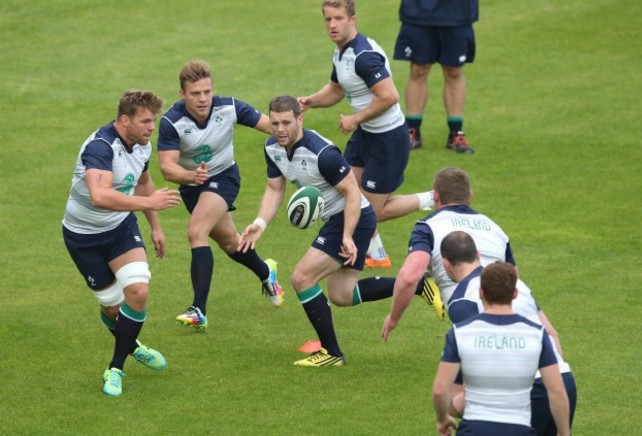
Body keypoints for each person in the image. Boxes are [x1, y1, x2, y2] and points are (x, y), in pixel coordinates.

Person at [238, 95, 406, 367]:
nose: (280, 129)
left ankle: (331, 353)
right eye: (275, 123)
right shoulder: (272, 148)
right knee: (342, 295)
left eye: (286, 123)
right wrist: (259, 224)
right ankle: (416, 283)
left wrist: (347, 236)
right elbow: (274, 189)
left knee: (302, 278)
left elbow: (352, 192)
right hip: (336, 219)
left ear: (300, 119)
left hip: (352, 218)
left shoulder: (322, 153)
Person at [298, 0, 435, 269]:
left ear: (353, 20)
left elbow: (390, 96)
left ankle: (431, 197)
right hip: (366, 135)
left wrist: (355, 118)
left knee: (373, 211)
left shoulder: (364, 56)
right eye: (328, 19)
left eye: (338, 18)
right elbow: (336, 89)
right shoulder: (341, 54)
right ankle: (378, 254)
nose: (332, 25)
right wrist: (310, 101)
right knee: (348, 192)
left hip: (388, 139)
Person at [62, 90, 181, 396]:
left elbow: (143, 182)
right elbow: (100, 197)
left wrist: (154, 223)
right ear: (125, 120)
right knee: (114, 311)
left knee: (138, 291)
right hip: (83, 237)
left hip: (120, 228)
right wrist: (147, 203)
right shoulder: (100, 148)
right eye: (145, 121)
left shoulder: (141, 144)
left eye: (153, 121)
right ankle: (133, 344)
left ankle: (115, 368)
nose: (151, 127)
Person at [157, 60, 284, 331]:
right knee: (230, 244)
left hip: (223, 178)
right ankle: (266, 272)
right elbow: (167, 167)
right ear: (182, 94)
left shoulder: (229, 107)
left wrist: (303, 140)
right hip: (193, 185)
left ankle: (198, 310)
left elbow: (273, 126)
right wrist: (190, 177)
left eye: (207, 91)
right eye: (195, 93)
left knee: (196, 232)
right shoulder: (172, 122)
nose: (203, 99)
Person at [440, 231, 577, 435]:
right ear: (477, 253)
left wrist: (453, 409)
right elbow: (552, 334)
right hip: (563, 379)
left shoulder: (461, 300)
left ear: (445, 264)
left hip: (526, 389)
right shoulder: (517, 284)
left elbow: (476, 358)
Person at [381, 166, 515, 341]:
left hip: (473, 321)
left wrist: (393, 318)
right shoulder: (496, 229)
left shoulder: (427, 226)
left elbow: (410, 276)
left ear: (436, 196)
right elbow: (514, 280)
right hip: (515, 317)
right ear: (470, 195)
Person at [393, 0, 478, 153]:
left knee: (454, 71)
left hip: (458, 11)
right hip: (418, 10)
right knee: (418, 69)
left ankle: (456, 134)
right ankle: (412, 131)